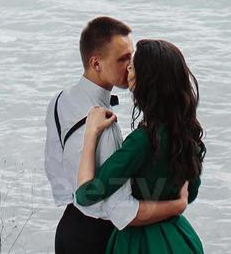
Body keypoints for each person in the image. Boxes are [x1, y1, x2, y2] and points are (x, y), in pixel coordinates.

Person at [45, 17, 190, 254]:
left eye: (131, 57)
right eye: (123, 59)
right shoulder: (106, 127)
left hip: (69, 227)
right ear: (96, 63)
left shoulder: (60, 101)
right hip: (101, 238)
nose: (131, 66)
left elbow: (55, 169)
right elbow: (123, 211)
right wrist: (176, 205)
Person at [75, 38, 204, 254]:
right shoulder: (187, 135)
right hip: (180, 240)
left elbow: (86, 193)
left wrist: (90, 135)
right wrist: (173, 202)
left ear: (145, 80)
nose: (127, 68)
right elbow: (190, 194)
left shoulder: (142, 141)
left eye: (133, 66)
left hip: (139, 244)